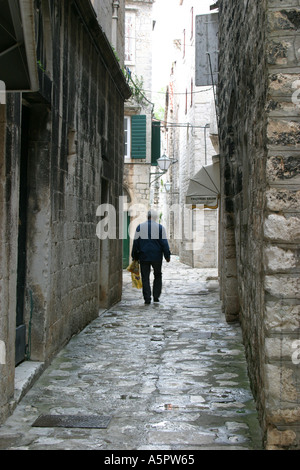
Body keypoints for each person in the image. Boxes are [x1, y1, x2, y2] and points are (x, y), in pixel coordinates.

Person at [131, 210, 171, 304]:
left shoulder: (140, 227)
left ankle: (147, 298)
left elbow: (136, 243)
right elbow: (164, 243)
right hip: (157, 256)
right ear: (155, 217)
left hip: (143, 256)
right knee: (157, 275)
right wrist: (167, 256)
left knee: (145, 277)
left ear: (147, 216)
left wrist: (134, 256)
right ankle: (156, 296)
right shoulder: (160, 228)